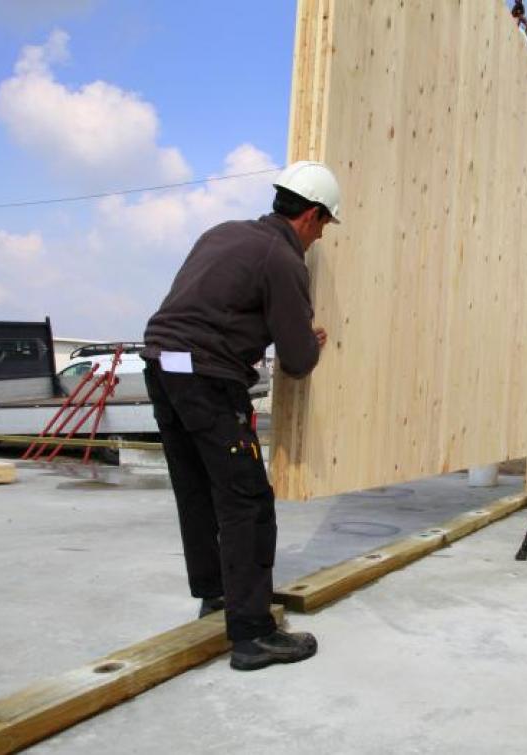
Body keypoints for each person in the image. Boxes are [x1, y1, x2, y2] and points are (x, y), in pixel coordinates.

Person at [141, 160, 341, 671]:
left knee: (198, 488)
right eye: (323, 227)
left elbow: (212, 308)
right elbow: (296, 364)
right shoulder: (283, 258)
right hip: (206, 380)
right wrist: (308, 342)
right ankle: (252, 635)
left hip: (162, 366)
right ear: (312, 216)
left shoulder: (223, 233)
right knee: (247, 499)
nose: (319, 239)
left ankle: (215, 594)